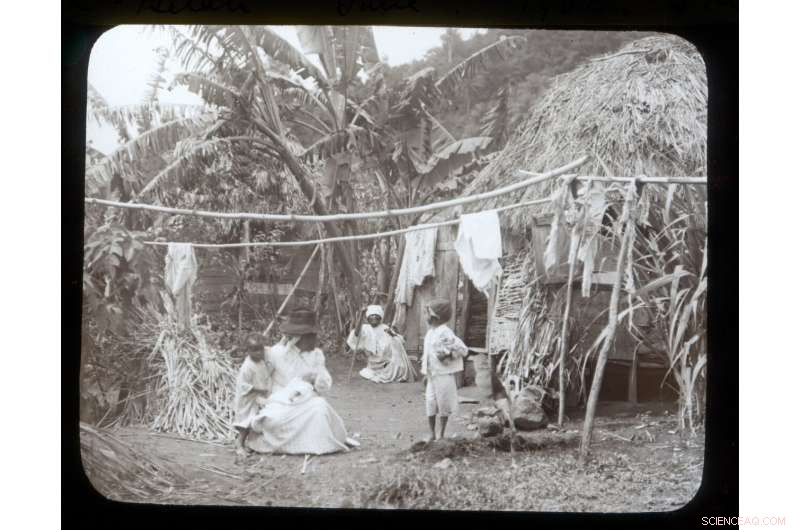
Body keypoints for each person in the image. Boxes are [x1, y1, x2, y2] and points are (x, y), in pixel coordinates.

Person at [245, 308, 354, 455]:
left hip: (307, 403)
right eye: (310, 336)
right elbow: (258, 376)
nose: (315, 340)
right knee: (272, 420)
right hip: (281, 403)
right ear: (298, 337)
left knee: (320, 408)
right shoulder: (277, 353)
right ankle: (291, 442)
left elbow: (325, 385)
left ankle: (314, 444)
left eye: (314, 335)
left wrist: (316, 378)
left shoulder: (316, 355)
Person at [420, 298, 469, 442]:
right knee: (430, 402)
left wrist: (449, 354)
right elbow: (427, 355)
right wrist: (425, 373)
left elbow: (463, 350)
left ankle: (441, 433)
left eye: (428, 313)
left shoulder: (445, 332)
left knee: (443, 403)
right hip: (432, 375)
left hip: (443, 375)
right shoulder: (430, 333)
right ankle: (431, 433)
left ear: (436, 316)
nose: (426, 316)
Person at [346, 305, 416, 383]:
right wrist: (361, 316)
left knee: (396, 345)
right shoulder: (365, 328)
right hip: (374, 360)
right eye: (372, 315)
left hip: (386, 358)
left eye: (376, 315)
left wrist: (392, 335)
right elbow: (356, 334)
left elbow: (400, 340)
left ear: (380, 318)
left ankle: (398, 373)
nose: (374, 317)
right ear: (368, 318)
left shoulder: (384, 327)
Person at [232, 332, 273, 456]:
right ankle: (239, 444)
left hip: (257, 398)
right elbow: (244, 385)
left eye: (260, 350)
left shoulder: (260, 361)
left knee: (254, 422)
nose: (259, 353)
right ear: (248, 351)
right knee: (245, 424)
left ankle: (251, 443)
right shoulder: (247, 367)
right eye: (255, 350)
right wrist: (260, 390)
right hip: (248, 399)